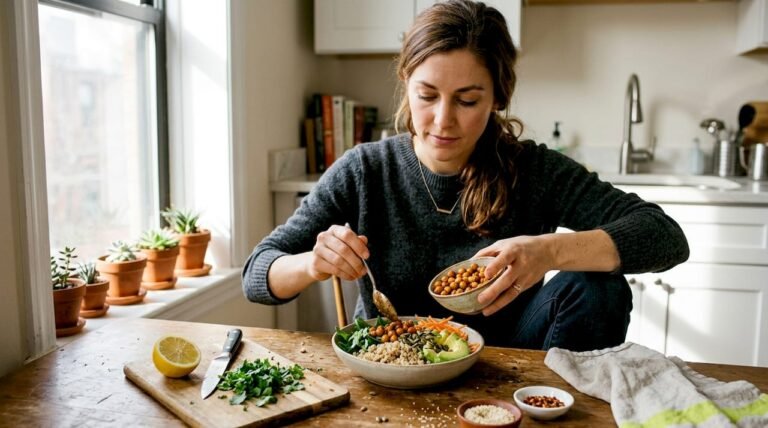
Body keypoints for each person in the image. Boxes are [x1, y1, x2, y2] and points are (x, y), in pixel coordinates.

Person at [242, 0, 689, 351]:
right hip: (391, 363)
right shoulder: (365, 169)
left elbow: (666, 236)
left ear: (498, 96)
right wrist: (312, 263)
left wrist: (550, 251)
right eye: (427, 95)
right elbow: (257, 274)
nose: (442, 120)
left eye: (467, 100)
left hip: (511, 359)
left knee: (598, 285)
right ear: (406, 83)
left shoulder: (534, 170)